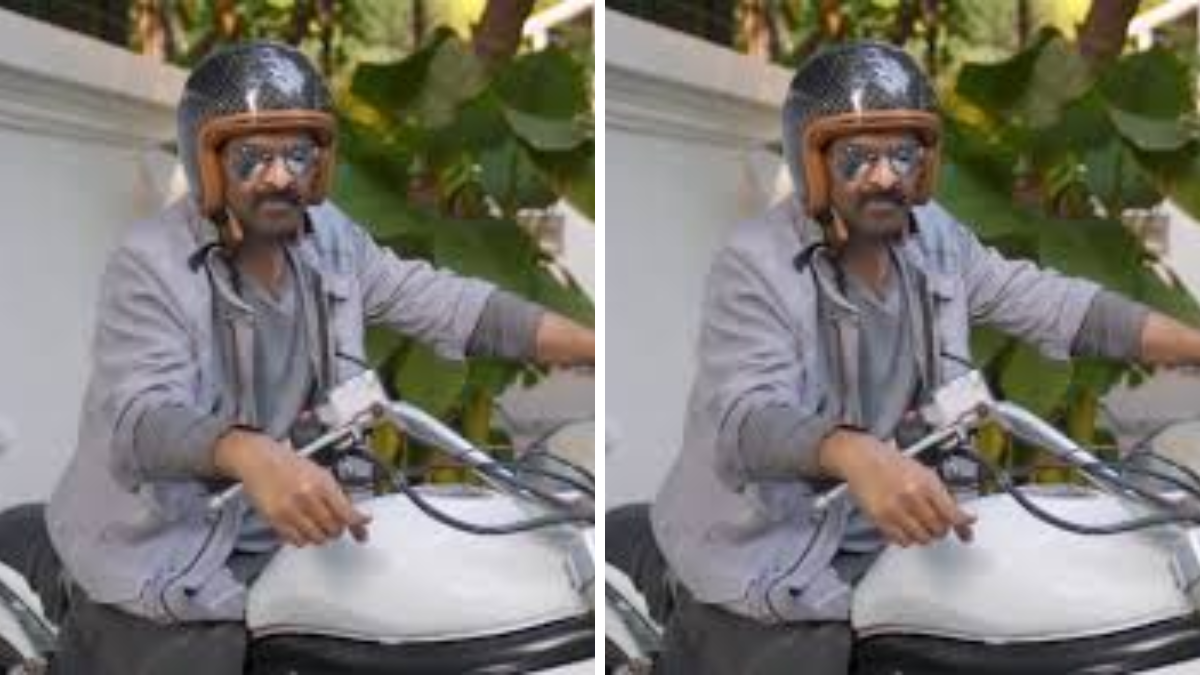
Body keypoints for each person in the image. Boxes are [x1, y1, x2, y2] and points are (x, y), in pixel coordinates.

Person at [0, 40, 593, 674]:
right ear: (208, 160)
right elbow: (139, 416)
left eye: (299, 153)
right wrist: (246, 452)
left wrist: (589, 345)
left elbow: (441, 300)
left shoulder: (328, 237)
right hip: (172, 555)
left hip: (312, 540)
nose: (282, 175)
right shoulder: (152, 263)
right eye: (255, 156)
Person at [647, 40, 1200, 674]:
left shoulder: (932, 236)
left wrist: (1193, 346)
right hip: (774, 549)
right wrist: (853, 453)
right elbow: (745, 418)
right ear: (814, 162)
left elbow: (1051, 302)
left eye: (902, 154)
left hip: (912, 530)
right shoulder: (756, 264)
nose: (885, 176)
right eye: (859, 156)